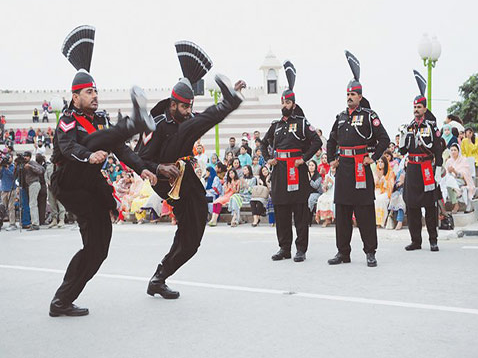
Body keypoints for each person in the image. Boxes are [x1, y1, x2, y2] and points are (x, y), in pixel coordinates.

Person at [49, 25, 157, 317]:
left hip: (90, 185)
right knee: (95, 140)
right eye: (88, 91)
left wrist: (142, 168)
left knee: (98, 250)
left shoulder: (99, 117)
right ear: (75, 97)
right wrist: (88, 154)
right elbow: (68, 146)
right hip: (68, 179)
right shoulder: (68, 118)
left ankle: (62, 300)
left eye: (96, 90)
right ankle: (135, 121)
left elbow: (120, 149)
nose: (95, 95)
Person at [134, 40, 245, 298]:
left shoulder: (187, 118)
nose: (188, 111)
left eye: (190, 106)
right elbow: (140, 160)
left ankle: (159, 278)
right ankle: (230, 101)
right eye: (184, 106)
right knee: (191, 127)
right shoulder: (157, 125)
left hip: (186, 178)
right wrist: (160, 167)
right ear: (173, 104)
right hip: (164, 179)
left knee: (191, 239)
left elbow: (204, 118)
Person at [326, 51, 390, 267]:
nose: (349, 97)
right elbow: (330, 140)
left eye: (353, 94)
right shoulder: (341, 117)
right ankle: (343, 252)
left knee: (365, 213)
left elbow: (384, 139)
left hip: (361, 168)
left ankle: (370, 252)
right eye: (347, 94)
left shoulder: (369, 116)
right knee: (342, 212)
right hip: (343, 169)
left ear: (360, 96)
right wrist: (331, 159)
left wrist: (373, 157)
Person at [260, 60, 322, 262]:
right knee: (281, 211)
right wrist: (269, 159)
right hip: (279, 173)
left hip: (296, 171)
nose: (284, 106)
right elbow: (263, 144)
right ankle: (284, 248)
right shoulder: (276, 125)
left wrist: (303, 159)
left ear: (293, 104)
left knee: (300, 213)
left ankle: (300, 249)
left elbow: (316, 142)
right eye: (282, 102)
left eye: (287, 103)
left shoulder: (302, 123)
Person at [398, 93, 444, 251]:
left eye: (419, 107)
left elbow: (438, 149)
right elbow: (403, 150)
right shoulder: (410, 126)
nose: (416, 110)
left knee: (430, 206)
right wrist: (403, 136)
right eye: (414, 107)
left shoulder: (431, 126)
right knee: (412, 207)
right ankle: (415, 241)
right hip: (412, 168)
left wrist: (438, 168)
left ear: (425, 108)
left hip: (426, 169)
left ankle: (433, 240)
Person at [441, 144, 476, 213]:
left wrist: (454, 171)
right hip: (450, 180)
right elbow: (445, 173)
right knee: (448, 183)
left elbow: (464, 175)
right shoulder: (448, 161)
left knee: (450, 183)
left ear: (458, 151)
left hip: (461, 180)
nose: (453, 152)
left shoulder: (463, 160)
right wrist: (449, 171)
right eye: (451, 150)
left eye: (455, 150)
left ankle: (456, 204)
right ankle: (456, 199)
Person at [22, 151, 45, 231]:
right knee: (32, 204)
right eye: (24, 156)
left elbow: (41, 170)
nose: (25, 157)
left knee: (32, 204)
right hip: (30, 185)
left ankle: (35, 224)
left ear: (30, 157)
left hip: (34, 183)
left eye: (27, 156)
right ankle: (34, 222)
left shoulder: (32, 163)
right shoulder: (24, 164)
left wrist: (30, 167)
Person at [45, 155, 66, 228]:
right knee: (52, 204)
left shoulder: (60, 166)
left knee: (60, 204)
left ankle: (61, 219)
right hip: (51, 189)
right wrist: (48, 181)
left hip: (59, 188)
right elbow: (46, 176)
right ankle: (54, 220)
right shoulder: (49, 167)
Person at [374, 156, 395, 228]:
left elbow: (391, 185)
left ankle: (380, 222)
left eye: (382, 162)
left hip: (386, 191)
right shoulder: (376, 172)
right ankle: (374, 221)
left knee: (381, 199)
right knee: (374, 198)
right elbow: (374, 184)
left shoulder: (390, 173)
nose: (380, 163)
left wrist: (384, 180)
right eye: (379, 162)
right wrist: (377, 179)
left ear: (385, 163)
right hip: (377, 190)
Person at [0, 153, 18, 231]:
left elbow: (14, 177)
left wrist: (7, 169)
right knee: (2, 208)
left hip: (11, 189)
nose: (7, 160)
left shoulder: (13, 167)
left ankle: (12, 223)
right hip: (4, 189)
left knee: (11, 207)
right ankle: (1, 222)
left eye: (9, 158)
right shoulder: (2, 167)